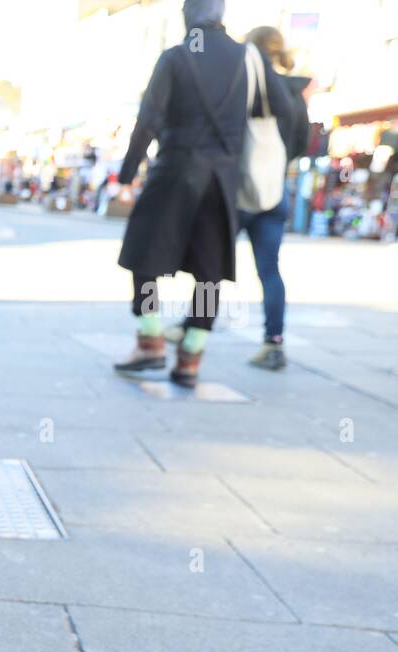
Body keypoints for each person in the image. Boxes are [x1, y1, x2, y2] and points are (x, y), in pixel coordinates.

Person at [113, 0, 290, 387]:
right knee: (209, 274)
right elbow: (286, 110)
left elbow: (149, 119)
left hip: (175, 170)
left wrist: (126, 175)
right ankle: (191, 357)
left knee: (144, 257)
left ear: (188, 16)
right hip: (222, 180)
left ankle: (150, 340)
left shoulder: (176, 57)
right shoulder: (247, 57)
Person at [240, 25, 310, 371]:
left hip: (239, 188)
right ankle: (274, 341)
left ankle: (196, 330)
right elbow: (300, 142)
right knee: (270, 269)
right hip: (275, 188)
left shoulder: (249, 82)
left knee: (210, 263)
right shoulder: (296, 93)